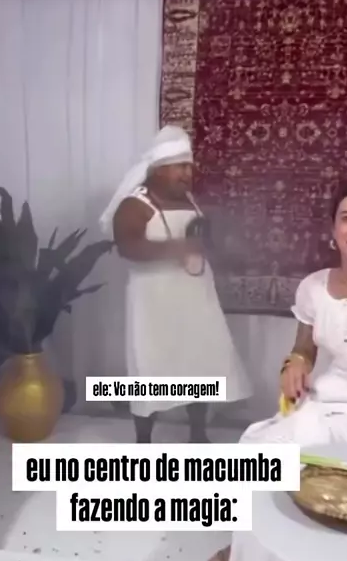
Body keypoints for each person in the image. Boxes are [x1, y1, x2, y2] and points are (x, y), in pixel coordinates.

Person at [208, 180, 347, 561]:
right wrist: (293, 365)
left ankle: (282, 557)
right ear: (333, 229)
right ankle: (252, 549)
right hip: (327, 402)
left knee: (294, 451)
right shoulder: (314, 287)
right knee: (258, 450)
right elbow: (303, 349)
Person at [100, 125, 251, 443]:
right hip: (153, 304)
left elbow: (203, 239)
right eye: (180, 166)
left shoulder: (189, 200)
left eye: (189, 166)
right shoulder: (135, 205)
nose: (187, 173)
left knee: (199, 364)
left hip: (195, 298)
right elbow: (128, 247)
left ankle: (198, 434)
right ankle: (144, 443)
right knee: (149, 369)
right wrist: (178, 248)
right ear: (158, 168)